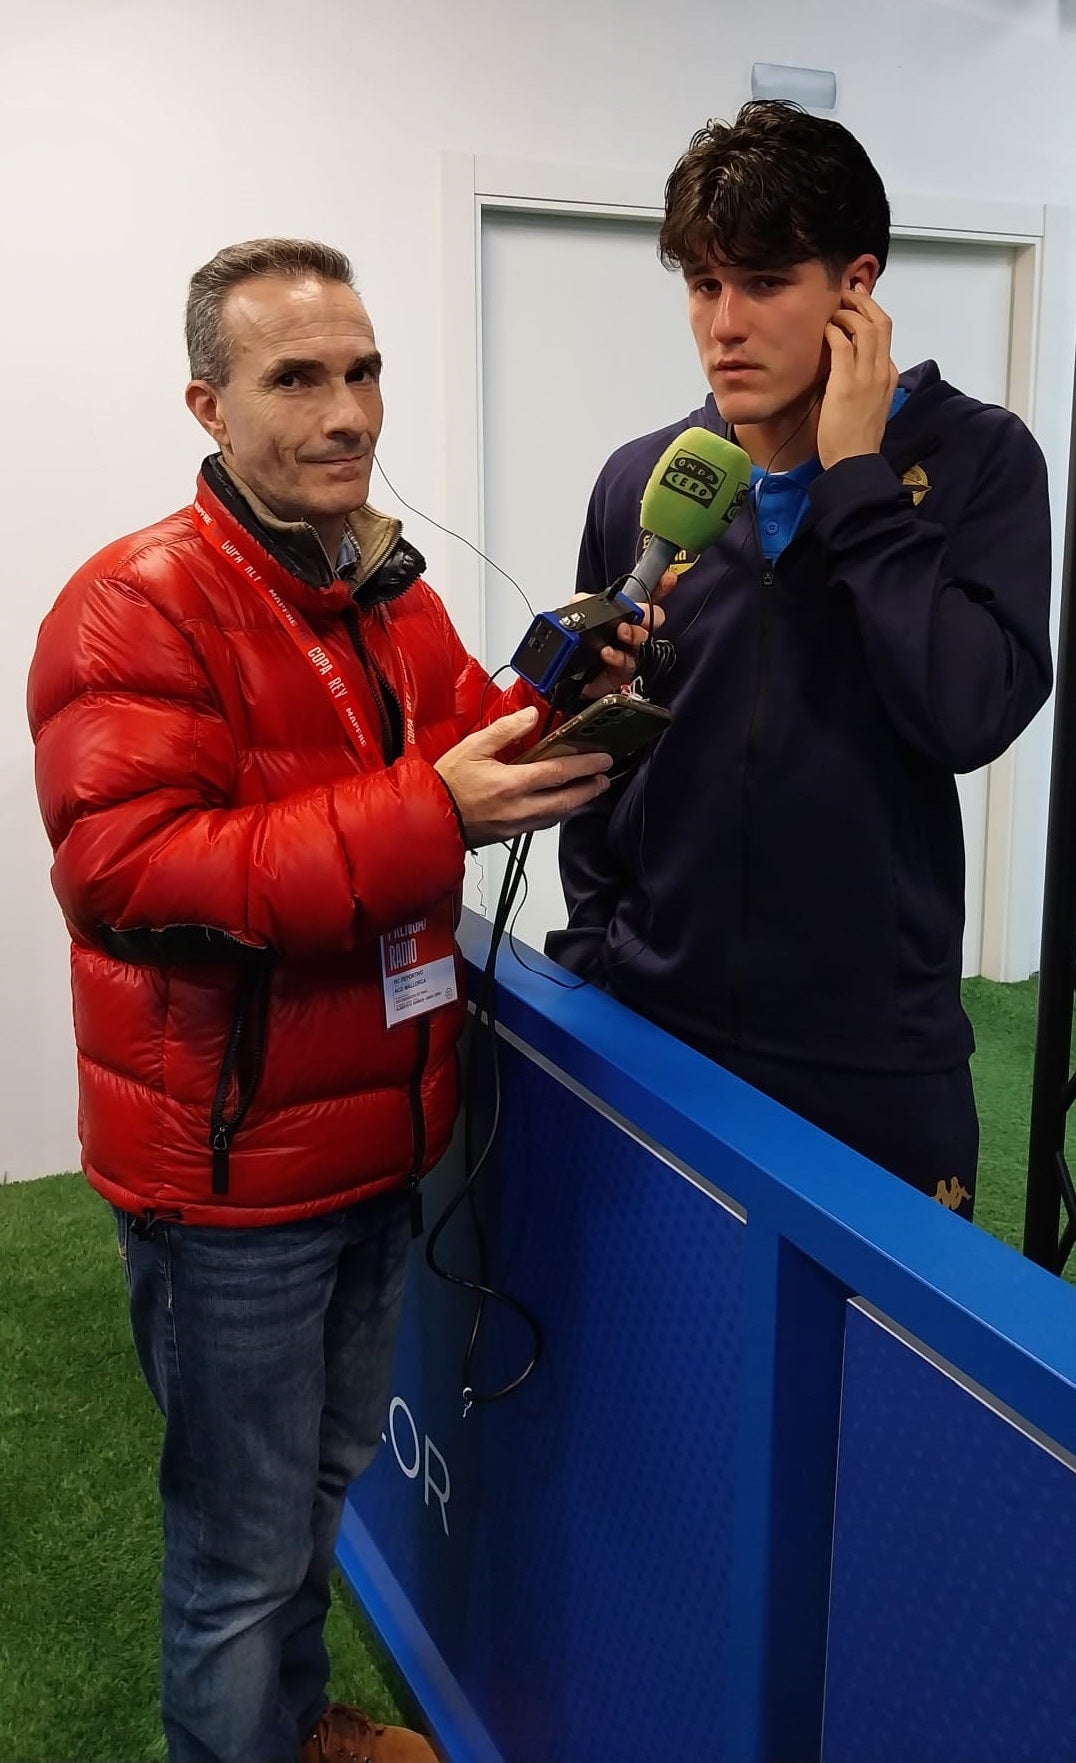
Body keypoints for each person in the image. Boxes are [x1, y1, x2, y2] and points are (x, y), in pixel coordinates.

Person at [26, 238, 657, 1763]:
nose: (347, 410)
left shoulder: (380, 588)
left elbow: (453, 743)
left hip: (380, 1136)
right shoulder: (132, 605)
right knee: (238, 1557)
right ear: (209, 404)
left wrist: (561, 696)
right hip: (230, 1180)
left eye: (361, 370)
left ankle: (295, 1732)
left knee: (317, 1486)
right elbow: (132, 867)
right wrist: (432, 814)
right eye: (296, 378)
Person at [547, 101, 1053, 1220]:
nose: (723, 323)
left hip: (872, 1055)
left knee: (875, 1397)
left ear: (852, 290)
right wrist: (593, 946)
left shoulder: (979, 461)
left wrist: (858, 482)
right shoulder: (645, 477)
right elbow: (600, 730)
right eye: (700, 284)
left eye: (764, 282)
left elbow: (968, 712)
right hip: (652, 1024)